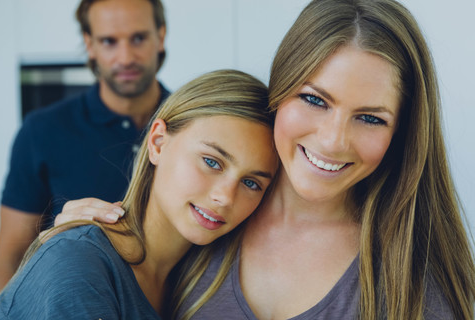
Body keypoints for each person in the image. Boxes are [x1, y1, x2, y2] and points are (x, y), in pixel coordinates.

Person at [61, 0, 475, 319]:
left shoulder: (414, 273)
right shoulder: (211, 212)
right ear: (279, 90)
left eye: (370, 118)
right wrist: (83, 245)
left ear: (402, 131)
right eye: (314, 99)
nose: (332, 141)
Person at [0, 69, 279, 319]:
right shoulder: (79, 261)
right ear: (157, 143)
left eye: (251, 183)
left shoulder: (207, 285)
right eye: (212, 162)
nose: (226, 197)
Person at [0, 0, 170, 294]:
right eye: (109, 41)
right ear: (90, 45)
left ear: (160, 36)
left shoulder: (195, 126)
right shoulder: (42, 131)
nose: (125, 57)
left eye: (138, 38)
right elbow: (10, 258)